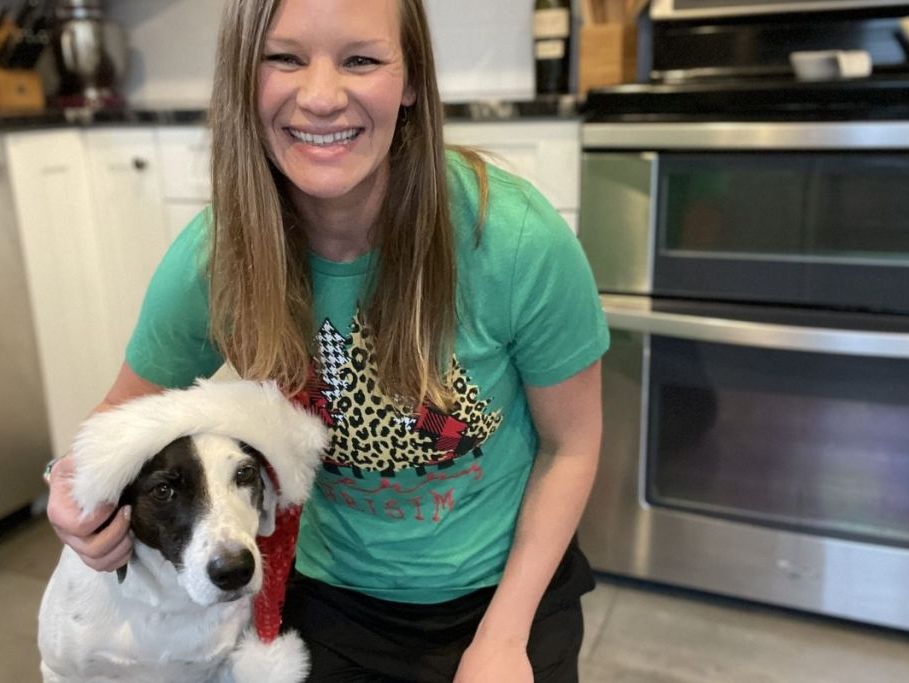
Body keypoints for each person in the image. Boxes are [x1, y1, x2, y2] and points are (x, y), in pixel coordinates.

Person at [45, 0, 609, 681]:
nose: (319, 97)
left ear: (410, 83)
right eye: (284, 58)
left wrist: (504, 635)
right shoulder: (217, 258)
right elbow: (114, 420)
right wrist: (69, 490)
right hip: (332, 604)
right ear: (242, 81)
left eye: (361, 59)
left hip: (511, 593)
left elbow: (570, 444)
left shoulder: (516, 238)